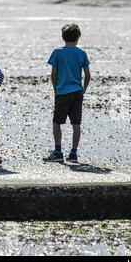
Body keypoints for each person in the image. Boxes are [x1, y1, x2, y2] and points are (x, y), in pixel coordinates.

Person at [43, 23, 91, 163]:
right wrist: (83, 89)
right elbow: (87, 75)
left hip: (63, 92)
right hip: (77, 92)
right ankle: (73, 153)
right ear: (78, 38)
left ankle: (58, 152)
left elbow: (54, 74)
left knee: (57, 122)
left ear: (63, 37)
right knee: (76, 124)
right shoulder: (82, 53)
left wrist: (55, 90)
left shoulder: (57, 52)